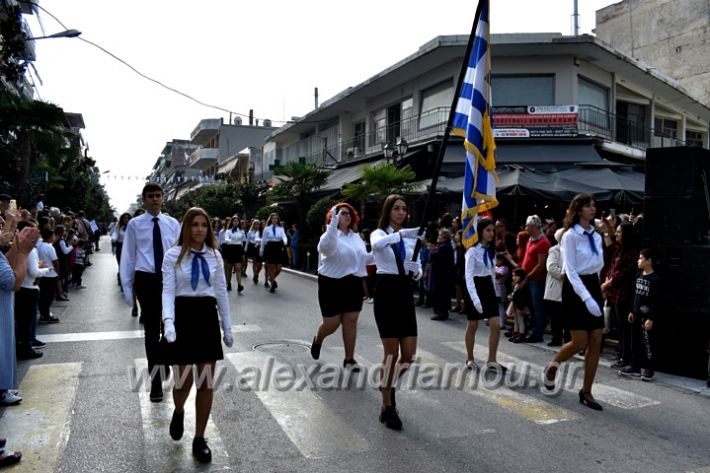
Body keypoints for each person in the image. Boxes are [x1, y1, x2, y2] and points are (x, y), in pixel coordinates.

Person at [161, 207, 233, 463]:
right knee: (183, 380)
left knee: (206, 381)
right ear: (186, 228)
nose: (200, 229)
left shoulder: (215, 255)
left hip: (205, 316)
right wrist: (168, 321)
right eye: (195, 224)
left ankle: (199, 438)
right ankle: (179, 409)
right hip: (182, 314)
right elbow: (168, 291)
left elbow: (221, 291)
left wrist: (227, 324)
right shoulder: (172, 255)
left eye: (204, 224)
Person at [544, 193, 605, 411]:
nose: (593, 208)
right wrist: (586, 297)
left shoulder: (596, 235)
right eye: (588, 206)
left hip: (593, 284)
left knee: (597, 339)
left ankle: (586, 391)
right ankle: (553, 365)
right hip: (575, 286)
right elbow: (569, 269)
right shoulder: (570, 236)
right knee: (580, 341)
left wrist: (597, 291)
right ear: (579, 210)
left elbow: (598, 264)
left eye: (593, 205)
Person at [120, 183, 180, 402]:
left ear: (163, 199)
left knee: (171, 328)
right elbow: (128, 256)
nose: (155, 199)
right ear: (144, 200)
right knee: (152, 332)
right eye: (150, 196)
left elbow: (181, 252)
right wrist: (128, 291)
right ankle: (155, 382)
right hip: (146, 280)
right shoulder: (135, 225)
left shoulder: (173, 224)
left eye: (158, 195)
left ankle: (163, 362)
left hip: (169, 279)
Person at [370, 194, 423, 430]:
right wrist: (402, 234)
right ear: (388, 211)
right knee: (391, 353)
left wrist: (416, 271)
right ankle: (387, 407)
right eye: (396, 208)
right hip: (386, 292)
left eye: (404, 209)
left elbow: (418, 266)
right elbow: (377, 246)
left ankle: (387, 384)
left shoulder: (411, 239)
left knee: (409, 355)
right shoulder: (379, 233)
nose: (401, 212)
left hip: (404, 292)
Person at [310, 203, 370, 369]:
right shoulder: (329, 236)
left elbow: (364, 259)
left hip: (353, 283)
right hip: (331, 283)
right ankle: (318, 339)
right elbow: (326, 248)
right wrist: (332, 226)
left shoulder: (355, 237)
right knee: (332, 323)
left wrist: (380, 252)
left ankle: (349, 359)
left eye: (349, 213)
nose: (347, 216)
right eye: (342, 213)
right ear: (334, 216)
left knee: (351, 321)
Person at [463, 218, 506, 370]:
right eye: (488, 230)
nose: (491, 233)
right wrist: (475, 299)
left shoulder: (491, 250)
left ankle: (492, 360)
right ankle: (469, 358)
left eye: (493, 231)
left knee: (495, 325)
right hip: (474, 287)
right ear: (480, 231)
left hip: (487, 287)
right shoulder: (472, 251)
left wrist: (495, 291)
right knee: (473, 324)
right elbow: (468, 276)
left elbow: (492, 272)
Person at [602, 222, 640, 370]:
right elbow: (612, 268)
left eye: (619, 232)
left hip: (624, 294)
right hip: (614, 293)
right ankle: (623, 356)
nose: (616, 234)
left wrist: (606, 285)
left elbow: (621, 274)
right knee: (619, 328)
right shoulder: (619, 249)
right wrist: (606, 282)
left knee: (625, 328)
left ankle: (627, 358)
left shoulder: (632, 252)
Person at [620, 248, 660, 382]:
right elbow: (634, 295)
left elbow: (656, 300)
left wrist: (651, 318)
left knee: (648, 343)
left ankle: (650, 368)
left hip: (647, 316)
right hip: (636, 314)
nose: (638, 260)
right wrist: (632, 310)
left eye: (641, 258)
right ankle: (635, 366)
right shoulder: (638, 276)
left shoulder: (655, 279)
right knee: (635, 341)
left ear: (649, 261)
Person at [14, 221, 48, 360]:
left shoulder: (15, 247)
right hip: (28, 288)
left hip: (20, 288)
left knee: (21, 322)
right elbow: (33, 272)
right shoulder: (31, 249)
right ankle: (26, 348)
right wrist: (46, 270)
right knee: (26, 322)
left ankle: (22, 346)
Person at [521, 215, 551, 343]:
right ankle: (530, 330)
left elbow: (541, 265)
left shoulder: (543, 242)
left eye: (528, 226)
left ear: (534, 227)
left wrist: (528, 276)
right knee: (531, 307)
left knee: (538, 308)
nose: (526, 228)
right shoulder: (530, 239)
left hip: (537, 280)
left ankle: (538, 334)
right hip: (528, 278)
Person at [544, 228, 569, 347]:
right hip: (557, 287)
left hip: (569, 289)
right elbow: (551, 267)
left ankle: (569, 340)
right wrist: (565, 275)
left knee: (568, 316)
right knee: (556, 316)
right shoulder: (554, 250)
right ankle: (556, 338)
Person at [429, 228, 455, 321]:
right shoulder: (445, 246)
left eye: (440, 235)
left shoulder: (444, 247)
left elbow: (434, 256)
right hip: (442, 275)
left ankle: (440, 312)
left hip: (441, 276)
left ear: (444, 238)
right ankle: (443, 312)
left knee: (439, 294)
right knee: (442, 294)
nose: (438, 237)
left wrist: (432, 250)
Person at [260, 213, 287, 293]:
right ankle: (272, 285)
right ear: (270, 220)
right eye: (273, 218)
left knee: (279, 268)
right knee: (271, 267)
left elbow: (284, 236)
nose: (274, 220)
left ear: (278, 220)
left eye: (276, 218)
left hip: (278, 247)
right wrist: (261, 250)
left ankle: (271, 279)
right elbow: (263, 240)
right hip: (270, 247)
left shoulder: (281, 229)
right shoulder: (266, 229)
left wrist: (285, 241)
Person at [222, 216, 246, 293]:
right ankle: (228, 283)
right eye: (234, 221)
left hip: (238, 249)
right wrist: (230, 240)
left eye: (237, 221)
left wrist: (243, 252)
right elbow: (226, 239)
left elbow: (243, 241)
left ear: (239, 223)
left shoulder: (241, 231)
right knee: (229, 268)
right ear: (232, 222)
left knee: (238, 267)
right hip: (230, 249)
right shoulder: (228, 231)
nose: (236, 222)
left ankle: (239, 285)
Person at [246, 219, 263, 284]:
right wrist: (246, 249)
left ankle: (257, 273)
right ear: (253, 225)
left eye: (258, 224)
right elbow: (247, 241)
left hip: (259, 247)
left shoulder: (261, 232)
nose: (257, 225)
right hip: (252, 247)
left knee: (260, 265)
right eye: (256, 224)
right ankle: (255, 275)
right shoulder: (250, 232)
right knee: (255, 262)